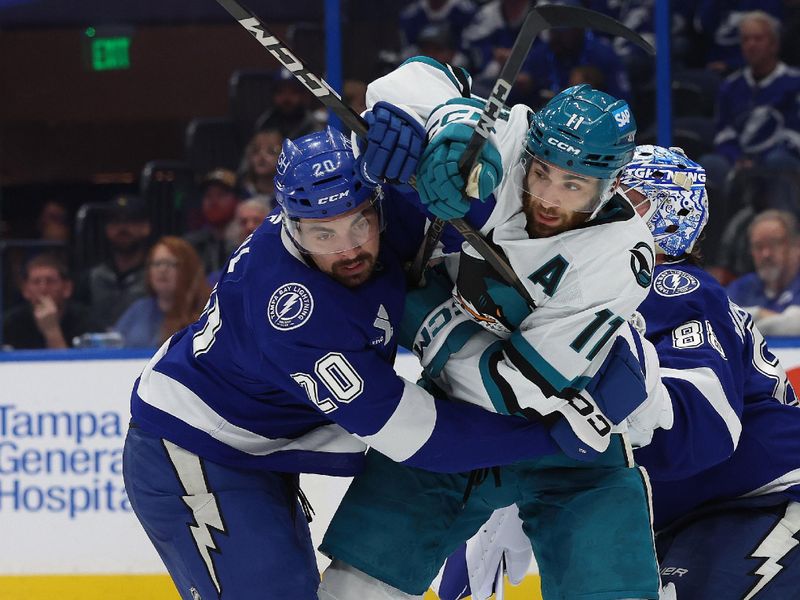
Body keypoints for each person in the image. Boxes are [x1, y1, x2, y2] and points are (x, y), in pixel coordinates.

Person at [123, 127, 610, 600]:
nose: (349, 248)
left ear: (376, 202)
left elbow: (481, 193)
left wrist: (450, 137)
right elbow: (418, 436)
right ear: (291, 225)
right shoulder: (293, 313)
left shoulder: (379, 208)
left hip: (259, 439)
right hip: (191, 450)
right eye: (323, 234)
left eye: (360, 222)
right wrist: (546, 436)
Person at [318, 62, 664, 600]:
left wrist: (426, 314)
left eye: (573, 185)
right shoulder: (515, 138)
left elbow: (513, 388)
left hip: (569, 441)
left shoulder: (620, 258)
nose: (547, 196)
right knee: (353, 588)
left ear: (611, 183)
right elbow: (405, 80)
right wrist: (450, 124)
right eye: (541, 173)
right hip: (456, 426)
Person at [442, 145, 800, 600]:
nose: (587, 213)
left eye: (609, 198)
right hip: (691, 524)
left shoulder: (670, 288)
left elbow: (704, 425)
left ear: (650, 212)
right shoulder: (611, 301)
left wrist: (609, 369)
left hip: (763, 504)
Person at [113, 236, 210, 349]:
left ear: (188, 269)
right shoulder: (139, 310)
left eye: (170, 263)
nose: (162, 270)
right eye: (157, 263)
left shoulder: (205, 312)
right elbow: (112, 345)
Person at [73, 194, 152, 330]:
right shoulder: (92, 277)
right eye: (115, 222)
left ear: (146, 227)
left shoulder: (155, 275)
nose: (122, 228)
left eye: (130, 221)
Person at [3, 253, 98, 350]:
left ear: (67, 288)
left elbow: (75, 364)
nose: (43, 289)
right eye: (36, 282)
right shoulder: (9, 324)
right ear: (25, 290)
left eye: (50, 281)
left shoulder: (87, 321)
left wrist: (52, 330)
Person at [727, 209, 800, 335]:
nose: (766, 254)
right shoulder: (743, 287)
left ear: (796, 246)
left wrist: (750, 318)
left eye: (774, 244)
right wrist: (759, 313)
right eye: (758, 246)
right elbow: (716, 319)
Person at [183, 168, 241, 276]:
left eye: (221, 195)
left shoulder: (248, 241)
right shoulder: (191, 245)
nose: (213, 201)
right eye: (208, 195)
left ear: (237, 200)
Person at [236, 128, 283, 205]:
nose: (261, 157)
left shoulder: (292, 198)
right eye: (255, 150)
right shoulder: (239, 194)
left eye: (271, 151)